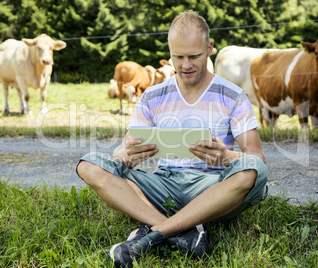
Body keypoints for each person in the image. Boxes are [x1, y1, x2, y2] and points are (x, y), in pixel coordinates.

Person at [76, 10, 268, 268]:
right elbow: (123, 152)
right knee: (89, 164)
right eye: (178, 57)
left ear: (209, 48)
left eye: (194, 56)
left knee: (253, 171)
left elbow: (257, 157)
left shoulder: (232, 95)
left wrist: (226, 157)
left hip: (212, 187)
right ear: (169, 51)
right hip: (162, 184)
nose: (185, 65)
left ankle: (154, 233)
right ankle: (182, 232)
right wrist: (127, 155)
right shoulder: (153, 96)